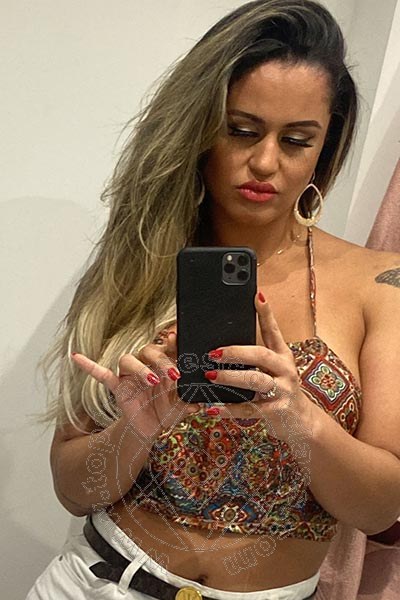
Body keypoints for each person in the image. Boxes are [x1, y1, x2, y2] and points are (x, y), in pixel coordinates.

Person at [28, 1, 400, 599]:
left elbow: (381, 509)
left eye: (297, 140)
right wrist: (136, 430)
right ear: (199, 129)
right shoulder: (136, 265)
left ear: (325, 147)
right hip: (98, 584)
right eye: (241, 130)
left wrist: (301, 420)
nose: (265, 162)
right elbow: (73, 489)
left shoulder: (380, 285)